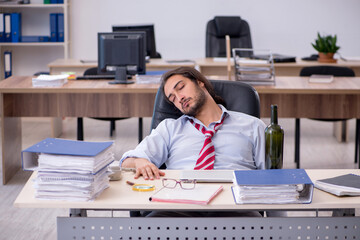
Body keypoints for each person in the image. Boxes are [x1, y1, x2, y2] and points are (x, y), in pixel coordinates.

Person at [120, 67, 266, 217]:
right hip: (180, 207)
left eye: (181, 87)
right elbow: (127, 161)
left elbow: (274, 178)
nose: (179, 98)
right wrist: (139, 162)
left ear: (200, 82)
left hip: (236, 206)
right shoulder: (170, 128)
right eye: (173, 98)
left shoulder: (253, 126)